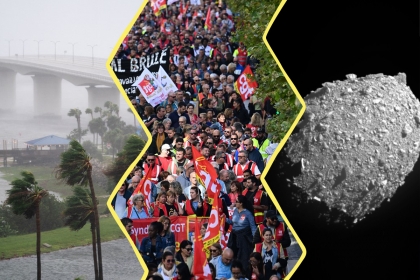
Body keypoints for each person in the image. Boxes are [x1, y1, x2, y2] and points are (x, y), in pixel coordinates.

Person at [226, 195, 256, 272]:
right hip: (234, 236)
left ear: (241, 203)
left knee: (243, 256)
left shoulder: (248, 213)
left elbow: (253, 226)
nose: (235, 203)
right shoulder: (235, 211)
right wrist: (225, 219)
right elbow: (233, 222)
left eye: (236, 202)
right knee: (233, 254)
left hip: (243, 237)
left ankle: (243, 271)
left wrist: (255, 239)